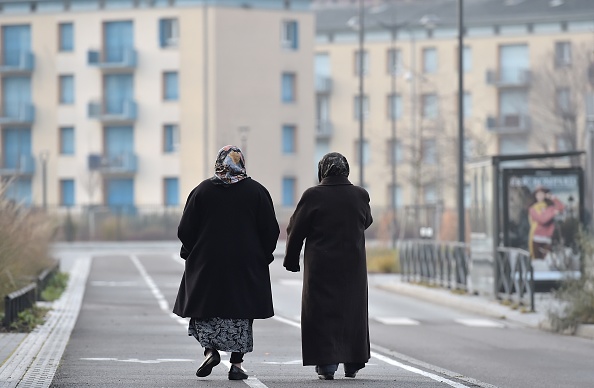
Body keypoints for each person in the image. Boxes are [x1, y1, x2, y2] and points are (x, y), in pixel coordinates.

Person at [173, 145, 280, 380]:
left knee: (206, 310)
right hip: (245, 265)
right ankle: (237, 365)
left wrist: (190, 252)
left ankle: (210, 351)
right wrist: (264, 255)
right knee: (241, 313)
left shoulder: (202, 191)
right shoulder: (257, 192)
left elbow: (185, 229)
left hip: (207, 264)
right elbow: (271, 230)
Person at [283, 152, 373, 380]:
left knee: (321, 313)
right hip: (353, 267)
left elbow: (296, 230)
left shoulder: (313, 196)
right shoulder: (360, 195)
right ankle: (353, 362)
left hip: (321, 266)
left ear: (322, 171)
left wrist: (291, 260)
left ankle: (327, 364)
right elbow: (367, 221)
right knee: (352, 311)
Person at [528, 186, 565, 259]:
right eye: (538, 194)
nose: (540, 196)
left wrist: (552, 197)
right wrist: (553, 213)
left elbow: (561, 208)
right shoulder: (533, 209)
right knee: (537, 261)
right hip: (537, 239)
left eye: (542, 194)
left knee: (547, 261)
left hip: (547, 238)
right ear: (535, 196)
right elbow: (542, 219)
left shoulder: (549, 207)